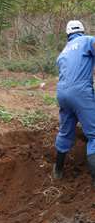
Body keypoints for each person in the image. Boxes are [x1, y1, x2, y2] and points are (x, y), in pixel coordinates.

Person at [53, 20, 95, 186]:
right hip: (80, 92)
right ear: (82, 31)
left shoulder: (62, 53)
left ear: (68, 35)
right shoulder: (87, 41)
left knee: (65, 132)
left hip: (62, 94)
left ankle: (58, 171)